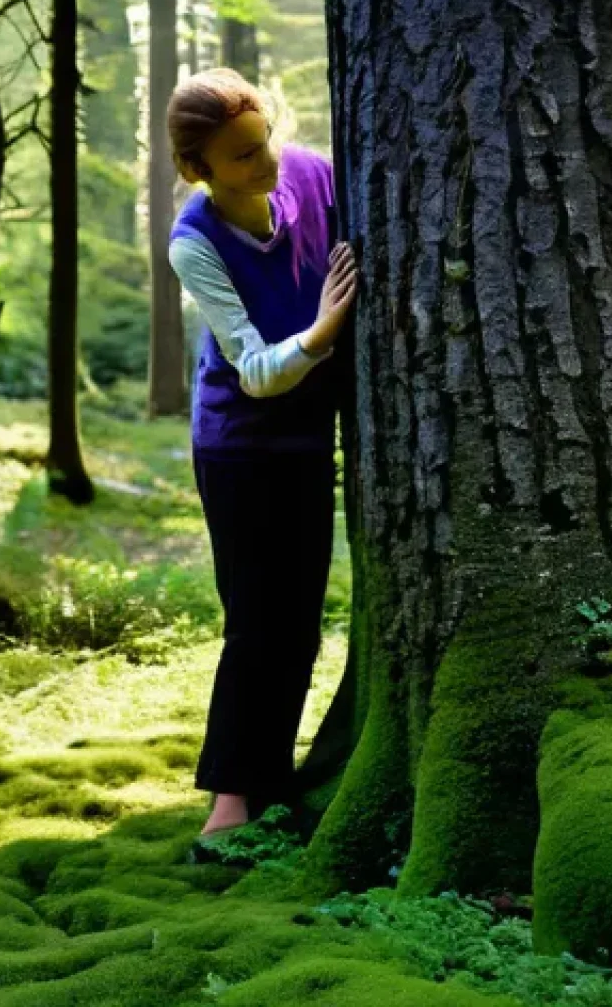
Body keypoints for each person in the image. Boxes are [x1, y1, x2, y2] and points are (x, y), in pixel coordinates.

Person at [166, 68, 358, 838]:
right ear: (198, 169)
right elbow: (253, 371)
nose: (267, 163)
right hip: (241, 447)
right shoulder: (196, 243)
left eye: (264, 140)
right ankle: (230, 801)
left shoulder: (312, 174)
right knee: (256, 620)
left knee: (300, 620)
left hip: (308, 438)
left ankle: (270, 778)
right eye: (243, 157)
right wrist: (323, 330)